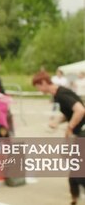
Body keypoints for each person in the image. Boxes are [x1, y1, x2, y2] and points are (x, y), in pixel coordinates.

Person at [32, 71, 85, 205]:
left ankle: (75, 197)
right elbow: (71, 112)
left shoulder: (61, 94)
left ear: (44, 83)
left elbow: (80, 110)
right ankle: (74, 198)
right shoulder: (57, 95)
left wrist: (70, 127)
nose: (38, 90)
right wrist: (57, 122)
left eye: (37, 86)